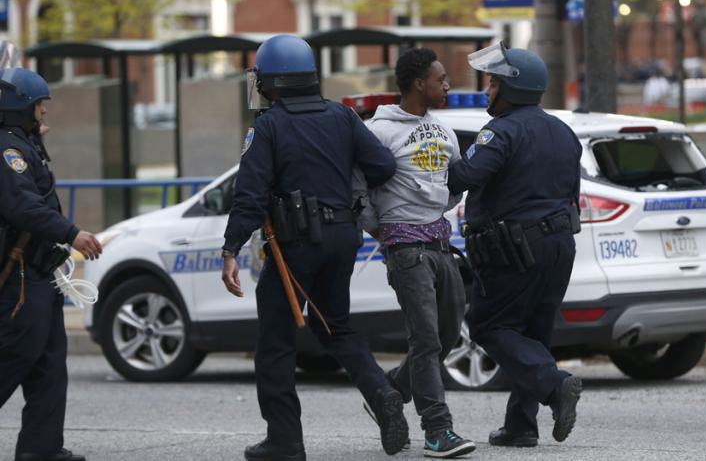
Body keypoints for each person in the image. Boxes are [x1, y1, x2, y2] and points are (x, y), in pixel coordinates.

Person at [220, 35, 408, 461]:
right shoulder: (341, 117)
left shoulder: (268, 126)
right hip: (343, 238)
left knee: (275, 344)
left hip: (295, 246)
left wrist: (230, 248)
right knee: (335, 325)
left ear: (273, 82)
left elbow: (249, 195)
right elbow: (382, 165)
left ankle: (285, 441)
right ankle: (382, 394)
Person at [447, 43, 583, 448]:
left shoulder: (501, 131)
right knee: (535, 332)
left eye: (493, 84)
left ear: (511, 89)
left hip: (515, 248)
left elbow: (465, 176)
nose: (488, 91)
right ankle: (521, 425)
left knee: (490, 327)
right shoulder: (562, 130)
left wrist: (433, 159)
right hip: (559, 244)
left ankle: (555, 386)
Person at [353, 48, 475, 458]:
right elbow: (360, 190)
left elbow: (455, 181)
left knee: (445, 334)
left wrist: (437, 207)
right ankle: (438, 431)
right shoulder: (379, 131)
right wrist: (383, 231)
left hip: (442, 244)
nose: (447, 84)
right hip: (406, 250)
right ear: (419, 82)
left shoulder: (443, 131)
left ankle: (388, 393)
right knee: (425, 340)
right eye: (441, 79)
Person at [0, 67, 103, 461]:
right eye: (39, 106)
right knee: (15, 355)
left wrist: (34, 141)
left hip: (38, 272)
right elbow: (23, 205)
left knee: (48, 363)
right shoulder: (7, 151)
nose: (44, 113)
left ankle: (41, 448)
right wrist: (71, 233)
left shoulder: (22, 144)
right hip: (20, 279)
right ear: (19, 108)